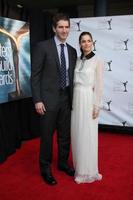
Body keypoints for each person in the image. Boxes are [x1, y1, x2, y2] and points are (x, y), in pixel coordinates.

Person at [31, 13, 77, 185]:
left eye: (66, 27)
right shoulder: (43, 47)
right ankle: (45, 168)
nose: (64, 30)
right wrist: (37, 100)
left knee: (65, 135)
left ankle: (63, 163)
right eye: (60, 27)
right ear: (54, 28)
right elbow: (34, 76)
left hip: (66, 99)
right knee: (47, 136)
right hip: (47, 100)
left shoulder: (72, 51)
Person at [71, 31, 104, 184]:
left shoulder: (97, 60)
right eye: (83, 41)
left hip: (88, 100)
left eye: (88, 41)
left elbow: (99, 85)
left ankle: (88, 171)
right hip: (76, 100)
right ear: (80, 44)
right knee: (77, 133)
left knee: (87, 134)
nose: (86, 43)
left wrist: (96, 106)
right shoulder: (77, 60)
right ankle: (79, 168)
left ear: (92, 42)